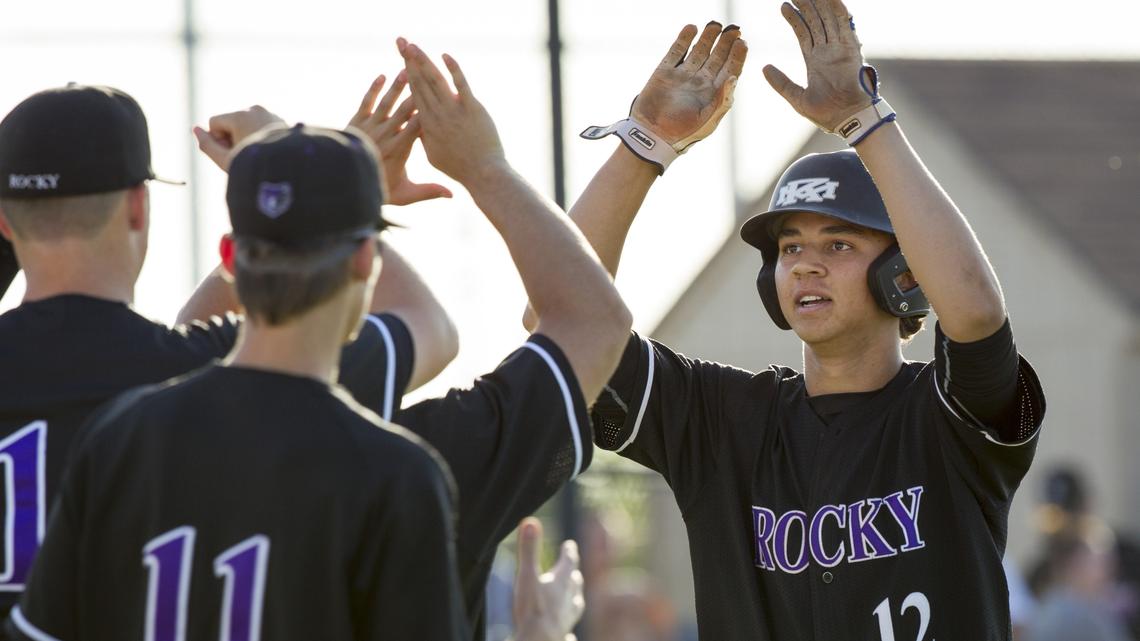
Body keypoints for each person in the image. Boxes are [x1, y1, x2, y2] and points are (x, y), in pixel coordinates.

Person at [543, 5, 1046, 639]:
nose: (805, 265)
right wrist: (645, 142)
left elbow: (974, 309)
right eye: (789, 249)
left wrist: (863, 122)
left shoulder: (950, 415)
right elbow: (561, 319)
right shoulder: (720, 420)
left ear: (907, 275)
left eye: (838, 245)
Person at [183, 39, 632, 639]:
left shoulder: (129, 435)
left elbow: (180, 348)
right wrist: (485, 167)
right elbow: (593, 320)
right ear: (367, 261)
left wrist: (321, 178)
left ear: (231, 258)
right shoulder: (421, 469)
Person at [0, 83, 456, 617]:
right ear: (138, 208)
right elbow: (430, 328)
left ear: (6, 223)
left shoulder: (173, 380)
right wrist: (317, 187)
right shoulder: (191, 367)